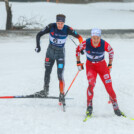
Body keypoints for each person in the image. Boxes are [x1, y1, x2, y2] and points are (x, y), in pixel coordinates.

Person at [34, 14, 83, 105]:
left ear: (64, 23)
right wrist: (38, 46)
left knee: (60, 74)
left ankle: (61, 94)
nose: (60, 25)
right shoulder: (51, 26)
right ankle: (45, 90)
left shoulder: (68, 29)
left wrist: (81, 48)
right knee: (47, 71)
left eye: (61, 23)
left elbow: (79, 37)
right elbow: (39, 34)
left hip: (60, 54)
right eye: (58, 23)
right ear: (56, 22)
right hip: (50, 52)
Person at [76, 28, 125, 117]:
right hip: (90, 66)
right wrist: (78, 62)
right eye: (94, 38)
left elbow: (111, 51)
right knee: (91, 84)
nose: (95, 40)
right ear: (91, 37)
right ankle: (89, 106)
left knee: (109, 87)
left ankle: (116, 107)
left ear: (100, 38)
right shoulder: (86, 43)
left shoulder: (104, 44)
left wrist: (110, 64)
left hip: (102, 66)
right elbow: (78, 50)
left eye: (97, 38)